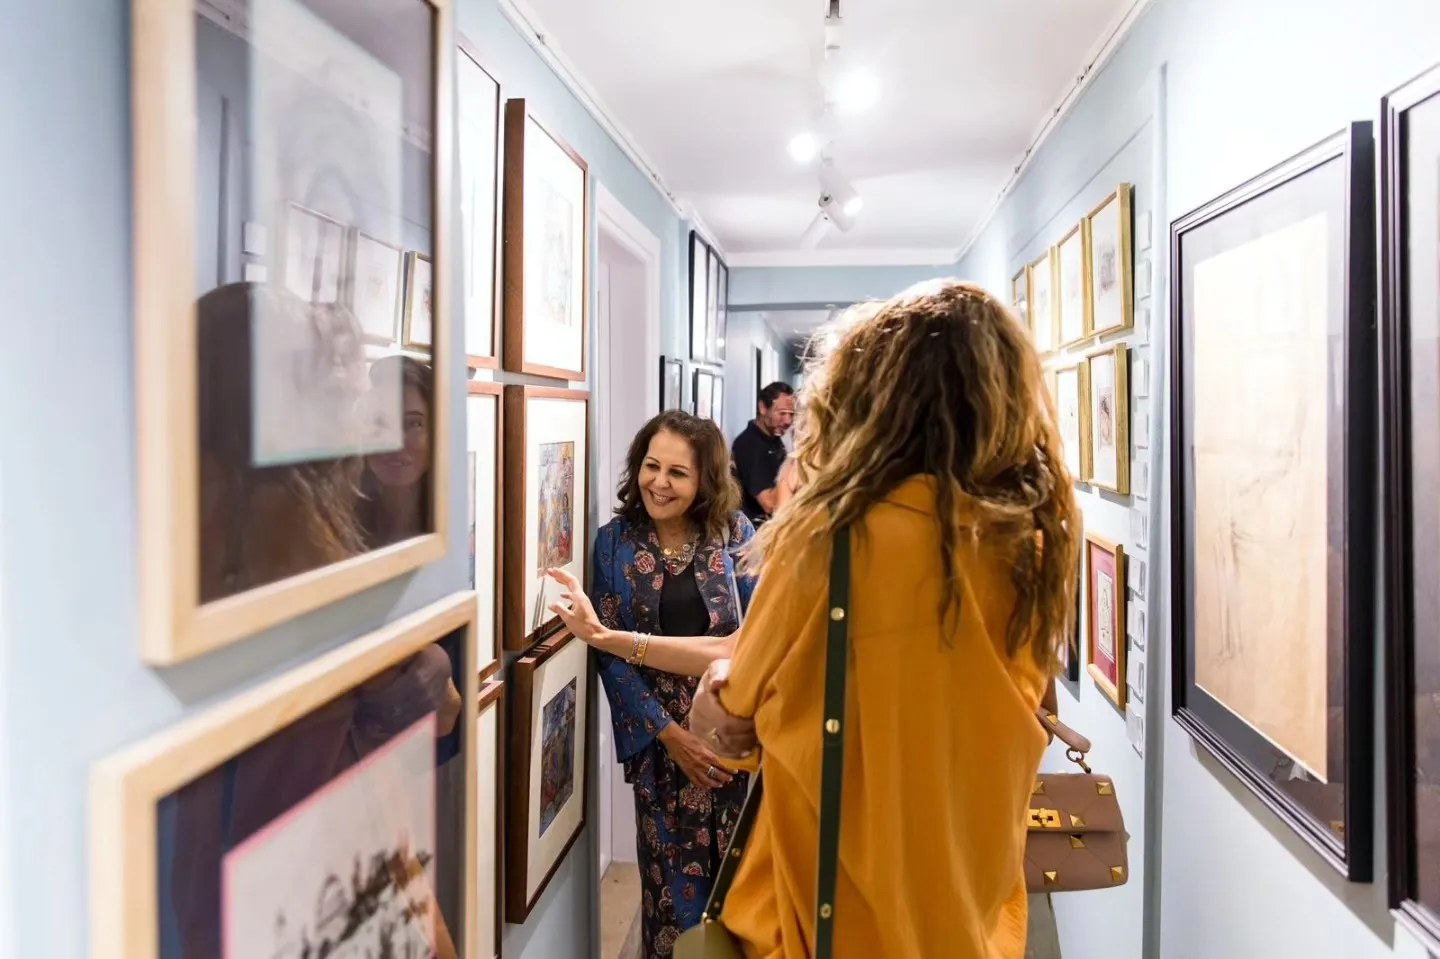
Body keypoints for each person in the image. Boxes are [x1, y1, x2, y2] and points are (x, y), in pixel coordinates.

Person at [683, 279, 1081, 958]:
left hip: (829, 917)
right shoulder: (1033, 546)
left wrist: (710, 692)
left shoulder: (827, 538)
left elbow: (738, 720)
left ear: (870, 395)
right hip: (967, 914)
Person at [547, 410, 756, 959]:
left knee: (747, 904)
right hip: (662, 758)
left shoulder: (735, 534)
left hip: (737, 745)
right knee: (672, 910)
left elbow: (760, 640)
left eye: (677, 473)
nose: (659, 483)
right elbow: (609, 654)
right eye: (650, 465)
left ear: (705, 480)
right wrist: (670, 735)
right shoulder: (614, 543)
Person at [357, 356, 433, 547]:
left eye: (413, 424)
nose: (395, 442)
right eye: (380, 423)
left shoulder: (453, 518)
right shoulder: (338, 519)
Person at [730, 381, 795, 527]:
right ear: (763, 408)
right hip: (754, 532)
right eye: (782, 413)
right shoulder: (749, 444)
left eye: (791, 414)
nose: (788, 421)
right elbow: (769, 504)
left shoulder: (774, 438)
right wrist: (796, 467)